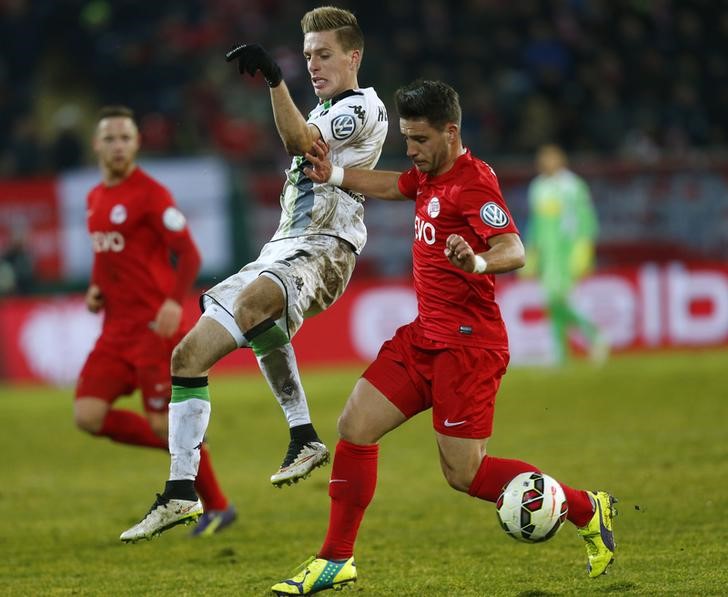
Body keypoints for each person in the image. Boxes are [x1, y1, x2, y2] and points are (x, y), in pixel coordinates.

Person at [271, 80, 617, 595]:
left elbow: (513, 248)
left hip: (468, 349)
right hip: (423, 337)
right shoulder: (428, 174)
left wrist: (477, 260)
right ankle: (335, 559)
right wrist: (337, 174)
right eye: (406, 139)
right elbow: (395, 185)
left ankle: (588, 506)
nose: (409, 150)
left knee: (466, 476)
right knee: (355, 425)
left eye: (418, 140)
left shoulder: (473, 183)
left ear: (450, 132)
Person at [120, 6, 388, 542]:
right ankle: (180, 491)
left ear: (353, 56)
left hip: (325, 250)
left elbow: (296, 142)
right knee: (187, 356)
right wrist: (282, 84)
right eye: (308, 55)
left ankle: (302, 434)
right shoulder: (326, 107)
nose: (314, 63)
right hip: (281, 249)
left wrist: (274, 80)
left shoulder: (359, 108)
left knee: (254, 303)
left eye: (325, 54)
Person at [75, 105, 235, 538]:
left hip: (152, 331)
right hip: (114, 333)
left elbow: (190, 254)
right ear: (97, 145)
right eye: (110, 138)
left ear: (137, 143)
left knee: (160, 425)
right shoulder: (94, 198)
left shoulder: (150, 193)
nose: (118, 145)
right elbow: (106, 256)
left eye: (125, 137)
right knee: (87, 415)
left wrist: (171, 303)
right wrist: (95, 288)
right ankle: (189, 449)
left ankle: (217, 505)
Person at [524, 144, 608, 365]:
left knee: (557, 301)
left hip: (565, 252)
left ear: (560, 160)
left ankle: (594, 335)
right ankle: (561, 355)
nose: (545, 163)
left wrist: (583, 248)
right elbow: (535, 221)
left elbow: (585, 217)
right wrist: (531, 251)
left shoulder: (572, 186)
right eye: (542, 159)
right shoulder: (538, 187)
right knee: (552, 303)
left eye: (550, 158)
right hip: (547, 255)